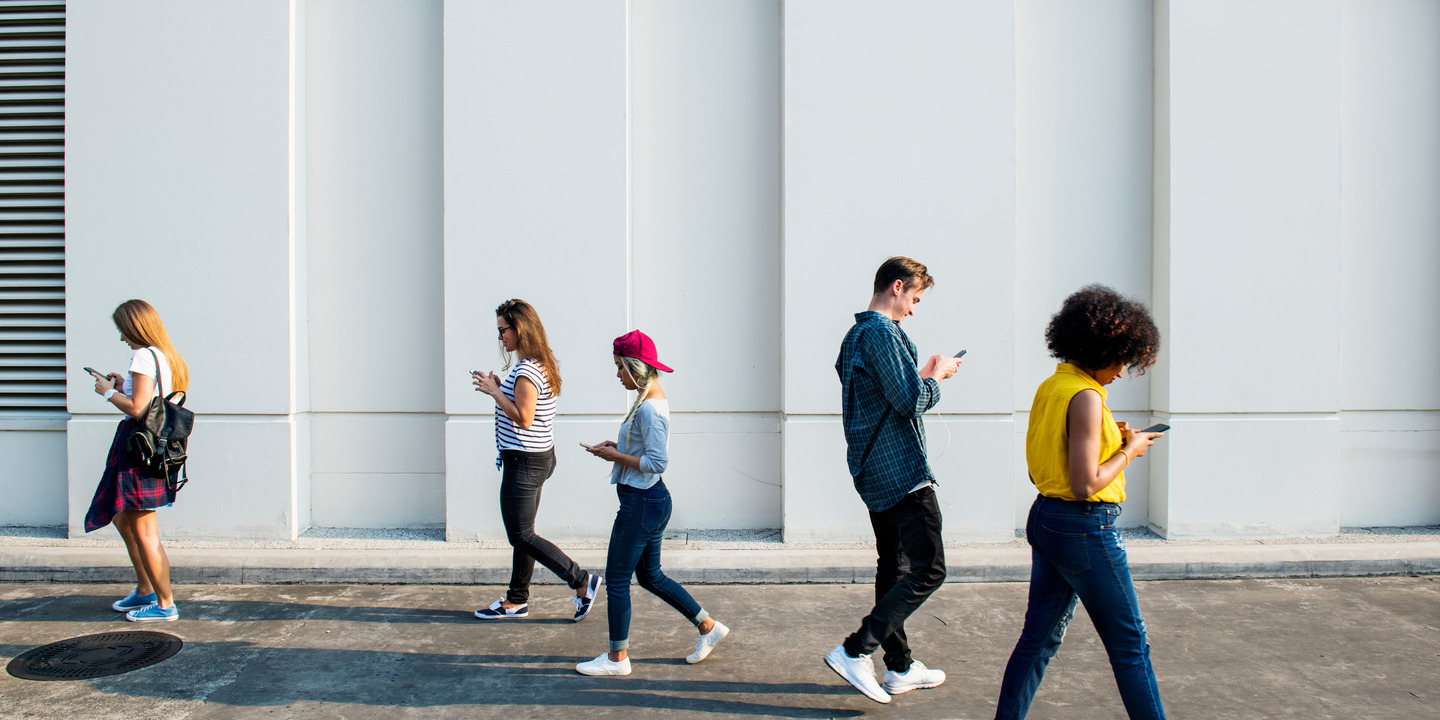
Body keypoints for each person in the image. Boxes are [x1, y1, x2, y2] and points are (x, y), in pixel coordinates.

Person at [993, 284, 1166, 719]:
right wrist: (1131, 450)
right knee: (1130, 645)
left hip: (1046, 518)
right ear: (1102, 349)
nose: (1122, 373)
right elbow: (1087, 484)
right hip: (1085, 527)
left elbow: (1040, 470)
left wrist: (1113, 438)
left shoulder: (1053, 386)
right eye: (1121, 361)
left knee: (1038, 640)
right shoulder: (1087, 397)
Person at [824, 257, 963, 704]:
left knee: (895, 566)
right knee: (929, 569)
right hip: (900, 469)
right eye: (915, 299)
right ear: (898, 287)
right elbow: (908, 402)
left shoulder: (855, 336)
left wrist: (918, 375)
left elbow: (881, 394)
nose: (914, 310)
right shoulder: (882, 332)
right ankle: (855, 649)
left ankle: (899, 666)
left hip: (872, 468)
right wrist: (936, 378)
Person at [574, 330, 728, 676]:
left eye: (619, 368)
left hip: (643, 503)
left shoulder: (650, 409)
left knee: (616, 581)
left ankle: (617, 660)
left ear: (635, 367)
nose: (617, 375)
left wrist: (615, 456)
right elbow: (645, 452)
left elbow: (658, 462)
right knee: (650, 576)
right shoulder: (648, 401)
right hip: (650, 501)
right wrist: (615, 449)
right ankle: (708, 627)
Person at [471, 299, 601, 622]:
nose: (500, 337)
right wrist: (502, 388)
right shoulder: (540, 363)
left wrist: (494, 392)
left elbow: (525, 418)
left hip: (525, 461)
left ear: (519, 329)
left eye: (503, 330)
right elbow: (526, 405)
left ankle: (582, 581)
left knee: (521, 535)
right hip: (536, 457)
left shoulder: (528, 368)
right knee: (524, 531)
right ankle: (516, 599)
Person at [84, 299, 190, 622]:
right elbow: (150, 398)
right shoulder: (162, 355)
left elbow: (138, 408)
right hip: (144, 449)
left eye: (122, 331)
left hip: (137, 451)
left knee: (145, 532)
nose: (121, 338)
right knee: (122, 519)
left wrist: (106, 391)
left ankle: (165, 603)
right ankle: (146, 589)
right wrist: (122, 383)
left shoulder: (143, 356)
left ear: (134, 327)